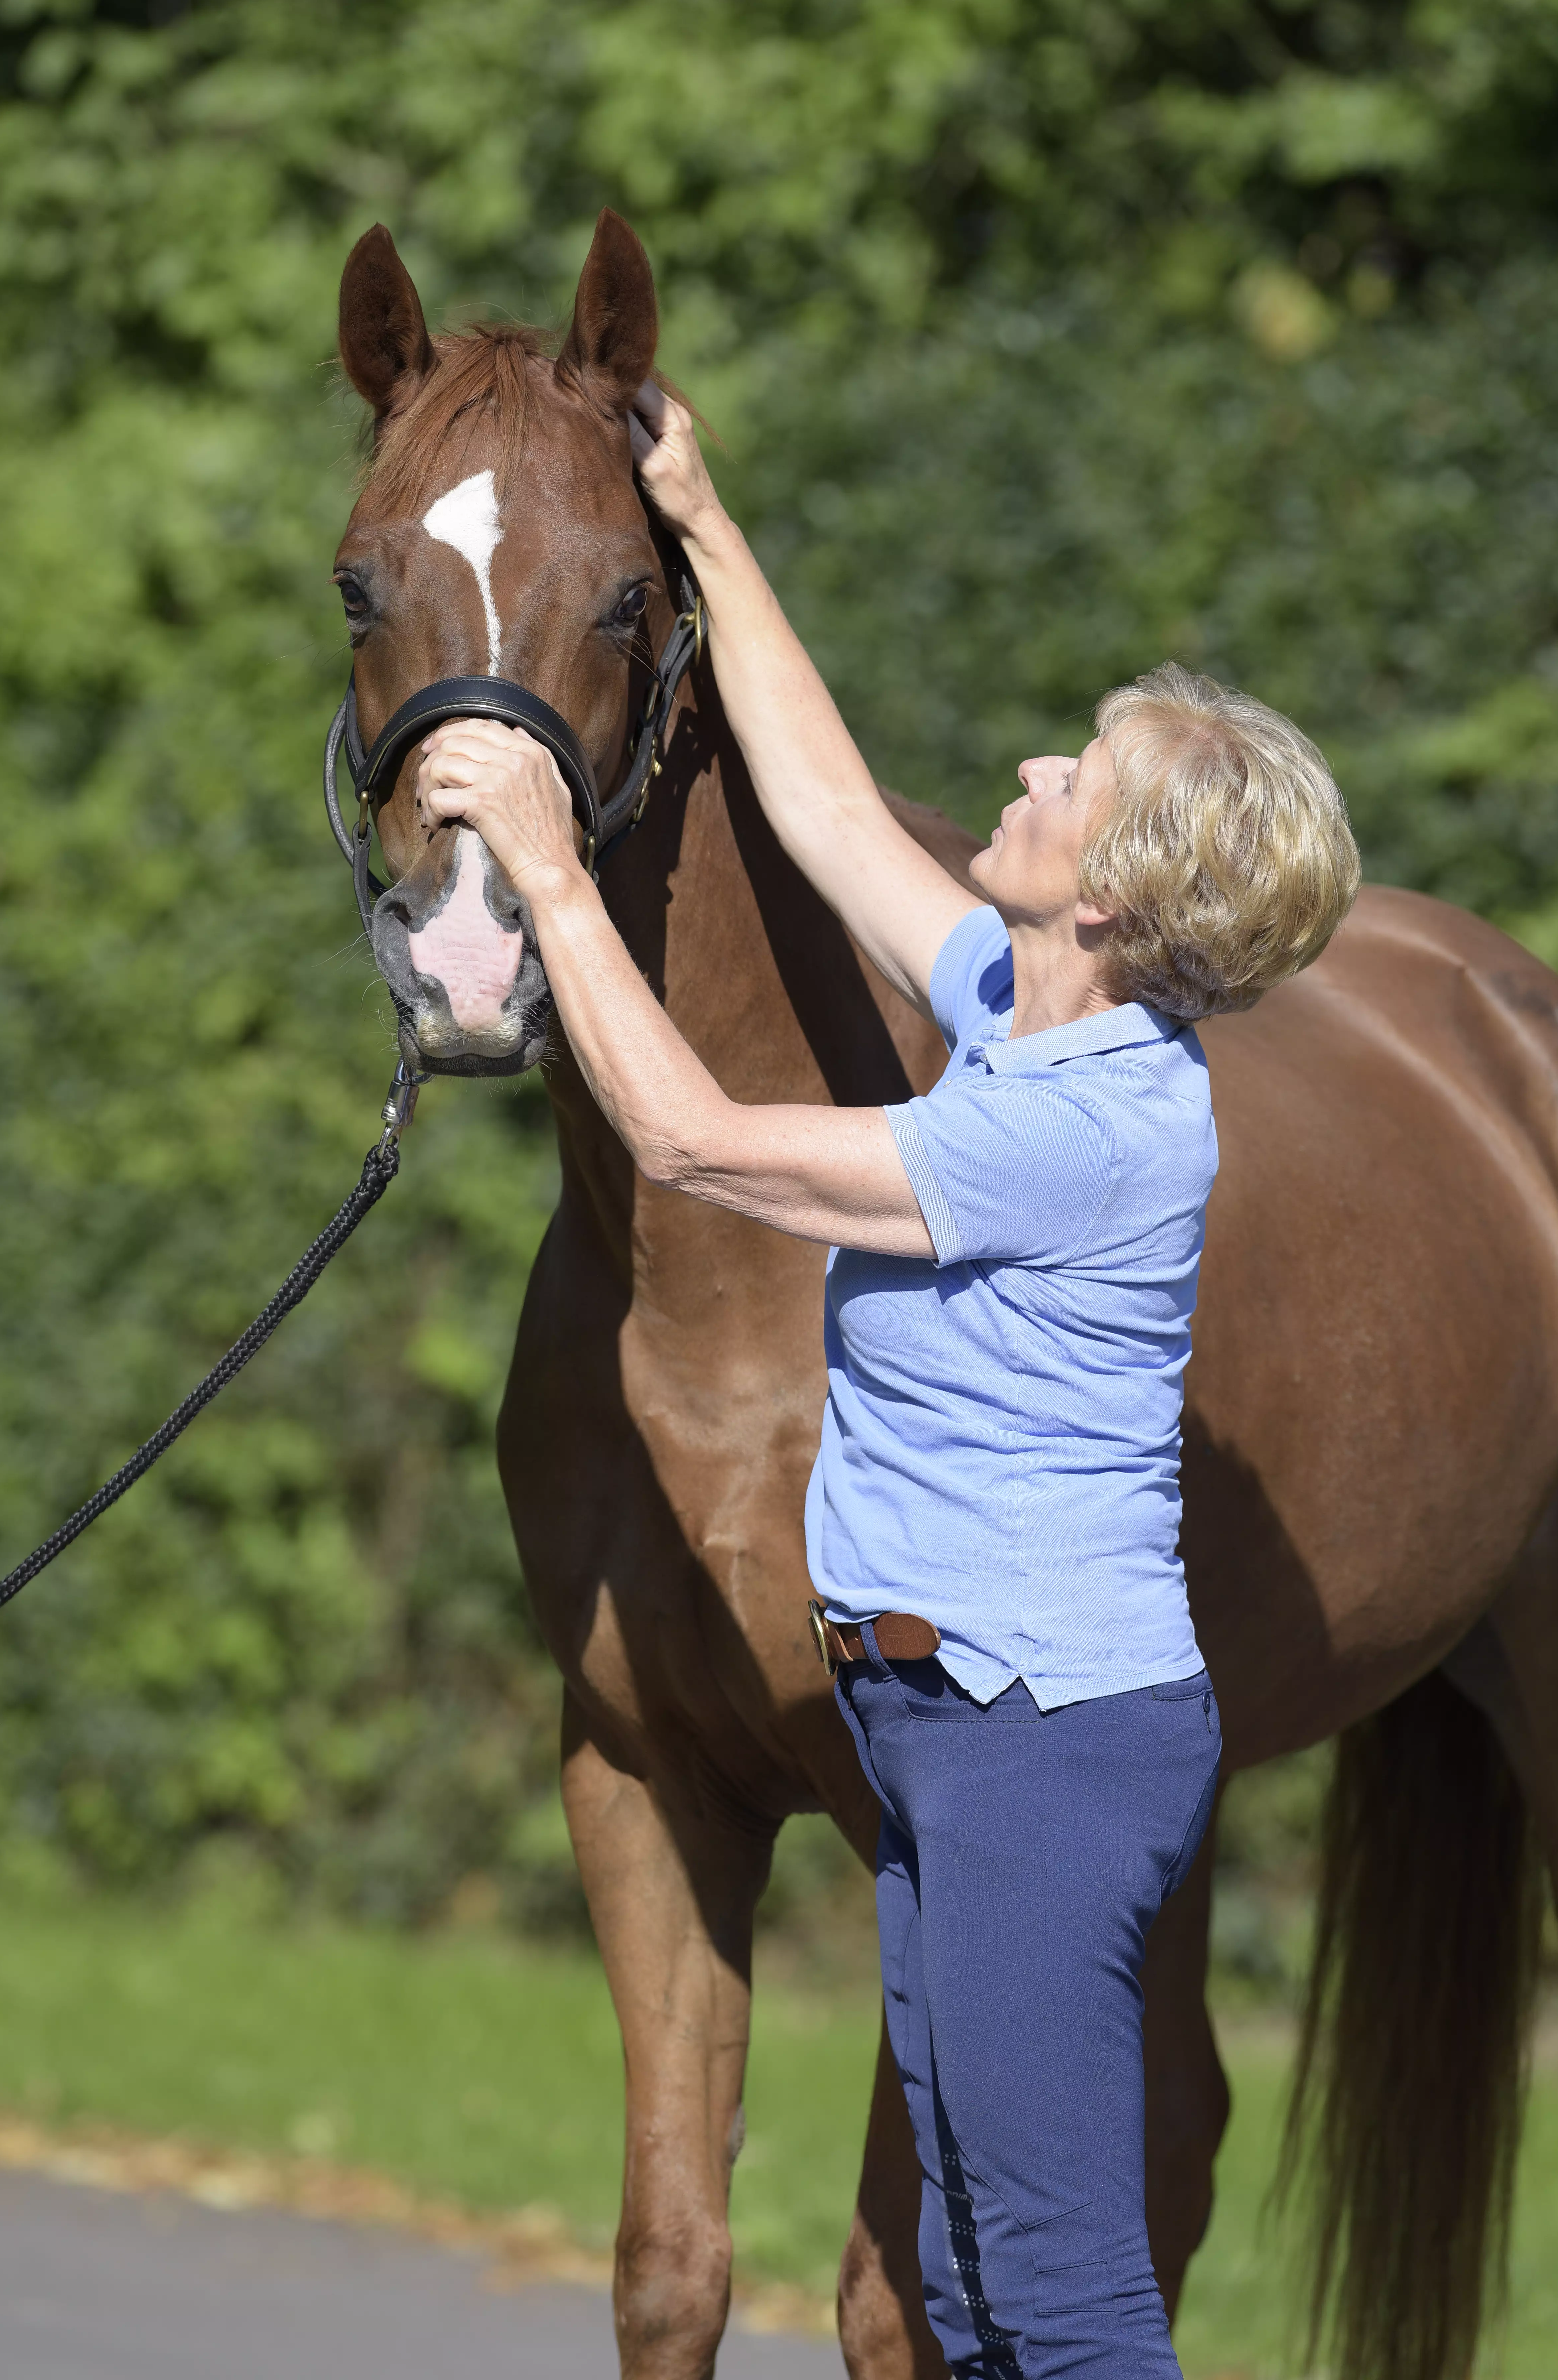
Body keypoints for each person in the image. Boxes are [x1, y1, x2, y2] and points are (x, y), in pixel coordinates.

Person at [412, 384, 1361, 2380]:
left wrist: (547, 865)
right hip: (952, 1721)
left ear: (1116, 894)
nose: (1029, 763)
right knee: (973, 2287)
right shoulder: (1025, 1012)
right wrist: (702, 523)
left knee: (1067, 2295)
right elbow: (831, 809)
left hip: (1041, 1754)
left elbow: (689, 1140)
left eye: (1079, 775)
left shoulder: (1079, 1132)